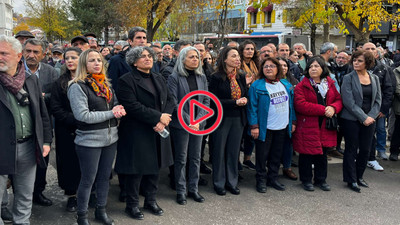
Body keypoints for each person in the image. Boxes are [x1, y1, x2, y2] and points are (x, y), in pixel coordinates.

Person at [67, 49, 126, 225]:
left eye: (99, 60)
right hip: (89, 141)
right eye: (92, 60)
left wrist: (118, 109)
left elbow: (114, 104)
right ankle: (82, 216)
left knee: (104, 178)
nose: (97, 63)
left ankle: (101, 210)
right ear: (84, 64)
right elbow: (83, 116)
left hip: (110, 139)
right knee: (88, 180)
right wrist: (112, 114)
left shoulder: (105, 84)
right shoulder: (77, 86)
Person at [115, 46, 174, 220]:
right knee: (136, 170)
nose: (148, 58)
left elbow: (170, 99)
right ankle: (132, 205)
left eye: (149, 55)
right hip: (137, 130)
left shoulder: (158, 77)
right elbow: (132, 106)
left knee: (154, 167)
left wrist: (165, 119)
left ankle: (150, 201)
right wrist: (157, 117)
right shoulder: (126, 80)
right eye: (143, 57)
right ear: (134, 61)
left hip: (159, 128)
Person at [0, 35, 52, 225]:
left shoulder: (30, 81)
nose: (0, 57)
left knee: (24, 195)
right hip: (2, 147)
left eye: (4, 53)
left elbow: (42, 115)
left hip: (28, 146)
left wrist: (46, 141)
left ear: (17, 56)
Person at [293, 56, 343, 191]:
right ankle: (306, 180)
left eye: (317, 66)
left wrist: (333, 108)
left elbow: (339, 100)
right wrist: (324, 110)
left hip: (325, 125)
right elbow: (300, 105)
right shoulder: (301, 85)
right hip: (308, 125)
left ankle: (321, 180)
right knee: (306, 154)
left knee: (322, 154)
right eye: (311, 67)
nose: (313, 69)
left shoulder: (330, 84)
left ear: (323, 68)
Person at [247, 57, 296, 193]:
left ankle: (273, 178)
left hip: (282, 126)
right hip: (264, 128)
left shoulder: (285, 84)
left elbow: (291, 105)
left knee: (276, 154)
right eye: (266, 66)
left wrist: (292, 122)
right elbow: (252, 108)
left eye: (272, 66)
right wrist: (254, 126)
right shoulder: (257, 86)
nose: (269, 68)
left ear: (278, 69)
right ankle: (261, 180)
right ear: (262, 70)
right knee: (262, 156)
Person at [167, 46, 209, 205]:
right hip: (181, 125)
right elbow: (174, 102)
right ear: (182, 59)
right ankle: (181, 190)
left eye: (197, 57)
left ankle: (193, 189)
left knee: (196, 158)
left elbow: (206, 100)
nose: (195, 60)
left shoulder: (202, 77)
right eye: (191, 57)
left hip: (198, 125)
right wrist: (189, 121)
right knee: (181, 159)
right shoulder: (174, 77)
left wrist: (198, 121)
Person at [23, 38, 59, 207]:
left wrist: (42, 97)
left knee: (42, 159)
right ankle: (21, 195)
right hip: (21, 123)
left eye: (36, 52)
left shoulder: (50, 72)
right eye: (28, 51)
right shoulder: (15, 71)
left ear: (44, 54)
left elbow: (57, 97)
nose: (31, 55)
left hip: (44, 122)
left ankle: (38, 192)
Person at [208, 47, 248, 196]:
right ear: (225, 59)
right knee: (219, 151)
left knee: (233, 152)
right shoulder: (216, 77)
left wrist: (244, 100)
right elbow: (213, 101)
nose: (237, 59)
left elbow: (245, 93)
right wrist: (235, 103)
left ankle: (232, 182)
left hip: (238, 119)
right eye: (233, 56)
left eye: (238, 56)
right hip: (221, 118)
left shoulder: (241, 76)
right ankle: (219, 182)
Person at [341, 50, 381, 193]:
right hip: (351, 119)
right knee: (351, 149)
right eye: (354, 60)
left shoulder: (374, 78)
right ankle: (351, 179)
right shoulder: (348, 78)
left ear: (368, 63)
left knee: (365, 149)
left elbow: (377, 100)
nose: (355, 63)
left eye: (359, 61)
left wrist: (371, 116)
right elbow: (348, 102)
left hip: (370, 120)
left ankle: (360, 176)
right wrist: (363, 117)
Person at [50, 47, 82, 212]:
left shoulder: (90, 80)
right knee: (69, 163)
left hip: (88, 129)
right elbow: (56, 107)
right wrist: (75, 119)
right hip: (66, 129)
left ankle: (89, 193)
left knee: (87, 163)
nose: (70, 61)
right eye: (67, 58)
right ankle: (72, 196)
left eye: (74, 57)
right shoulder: (59, 82)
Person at [362, 43, 394, 170]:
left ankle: (373, 156)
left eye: (372, 49)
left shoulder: (384, 69)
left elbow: (389, 90)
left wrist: (383, 109)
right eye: (367, 49)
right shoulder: (354, 67)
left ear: (377, 52)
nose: (370, 51)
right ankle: (361, 156)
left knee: (376, 131)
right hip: (358, 108)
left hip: (377, 109)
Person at [276, 57, 298, 180]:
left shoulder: (292, 82)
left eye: (285, 65)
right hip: (274, 119)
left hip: (288, 119)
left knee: (287, 144)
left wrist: (293, 121)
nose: (283, 67)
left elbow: (293, 104)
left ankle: (287, 167)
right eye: (280, 65)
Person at [238, 40, 259, 170]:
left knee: (251, 133)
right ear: (242, 50)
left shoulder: (256, 64)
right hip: (242, 100)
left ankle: (247, 159)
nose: (250, 51)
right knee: (241, 134)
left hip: (254, 100)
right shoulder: (238, 64)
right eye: (247, 49)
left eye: (252, 49)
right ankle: (236, 161)